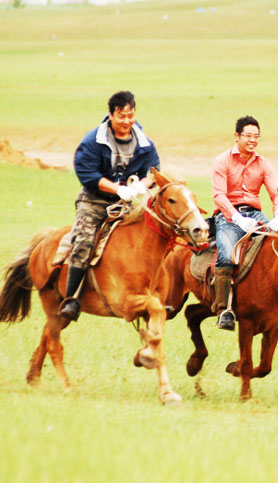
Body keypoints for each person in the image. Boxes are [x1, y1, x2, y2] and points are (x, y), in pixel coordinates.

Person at [59, 90, 159, 321]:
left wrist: (142, 186)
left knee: (152, 235)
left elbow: (154, 170)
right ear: (112, 115)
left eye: (131, 116)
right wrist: (117, 188)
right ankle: (72, 299)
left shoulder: (143, 142)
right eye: (122, 116)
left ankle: (158, 293)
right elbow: (87, 172)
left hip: (126, 203)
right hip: (94, 201)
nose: (127, 121)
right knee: (84, 241)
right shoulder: (93, 140)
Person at [211, 115, 278, 331]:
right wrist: (237, 218)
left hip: (256, 215)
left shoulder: (264, 164)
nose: (252, 140)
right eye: (248, 135)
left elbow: (277, 194)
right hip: (228, 216)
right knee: (227, 254)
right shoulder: (222, 161)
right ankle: (224, 309)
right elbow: (219, 196)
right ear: (237, 136)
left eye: (256, 136)